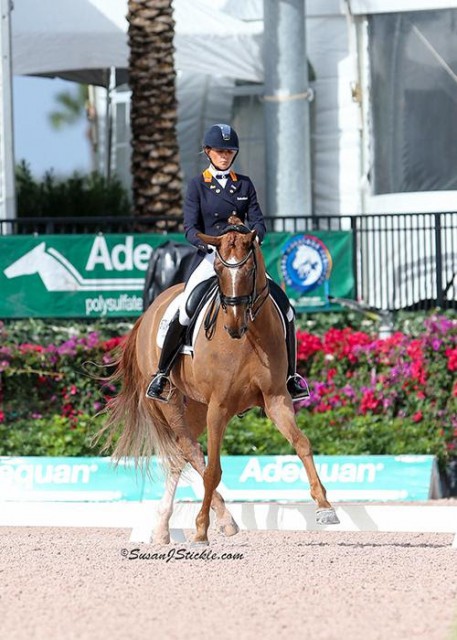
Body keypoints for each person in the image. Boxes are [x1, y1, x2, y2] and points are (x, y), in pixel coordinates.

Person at [146, 123, 308, 402]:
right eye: (220, 151)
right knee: (185, 308)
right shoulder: (198, 185)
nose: (225, 156)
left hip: (243, 259)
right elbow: (189, 227)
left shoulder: (244, 184)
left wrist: (254, 235)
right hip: (212, 258)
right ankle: (162, 374)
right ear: (208, 152)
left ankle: (291, 377)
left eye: (229, 151)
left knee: (286, 308)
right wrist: (208, 243)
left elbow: (258, 220)